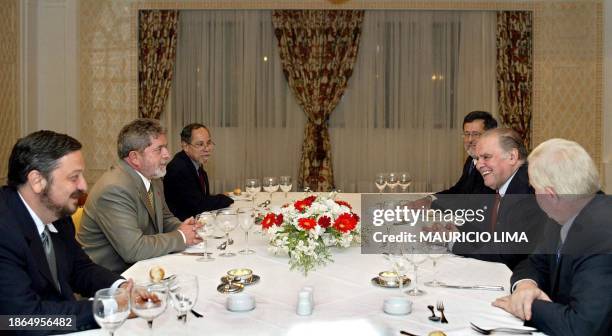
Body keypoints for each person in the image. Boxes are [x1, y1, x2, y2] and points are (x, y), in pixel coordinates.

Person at [0, 130, 130, 333]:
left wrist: (121, 288)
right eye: (74, 177)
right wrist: (107, 308)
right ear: (37, 181)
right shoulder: (4, 231)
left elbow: (80, 269)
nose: (84, 186)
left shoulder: (57, 215)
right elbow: (22, 321)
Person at [492, 139, 612, 336]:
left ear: (550, 195)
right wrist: (525, 285)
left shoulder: (602, 237)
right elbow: (534, 263)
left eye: (534, 189)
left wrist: (526, 306)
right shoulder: (563, 214)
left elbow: (583, 328)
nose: (533, 195)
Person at [77, 118, 201, 273]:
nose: (167, 155)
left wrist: (186, 228)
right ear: (135, 157)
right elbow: (133, 249)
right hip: (112, 279)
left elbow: (165, 218)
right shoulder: (114, 189)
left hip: (144, 265)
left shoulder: (152, 178)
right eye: (159, 149)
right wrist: (181, 237)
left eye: (166, 148)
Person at [447, 128, 547, 270]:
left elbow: (506, 252)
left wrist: (452, 242)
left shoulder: (529, 189)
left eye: (486, 157)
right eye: (477, 158)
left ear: (512, 156)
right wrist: (459, 231)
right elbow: (493, 234)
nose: (479, 165)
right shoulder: (506, 183)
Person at [415, 111, 497, 210]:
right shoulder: (471, 160)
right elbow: (459, 190)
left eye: (476, 134)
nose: (470, 139)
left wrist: (432, 205)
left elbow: (474, 205)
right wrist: (430, 198)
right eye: (467, 134)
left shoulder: (493, 164)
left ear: (491, 136)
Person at [163, 123, 233, 221]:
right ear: (185, 146)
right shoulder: (178, 168)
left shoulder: (195, 163)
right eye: (200, 144)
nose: (207, 149)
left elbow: (202, 198)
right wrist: (225, 198)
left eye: (208, 143)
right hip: (182, 227)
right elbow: (199, 206)